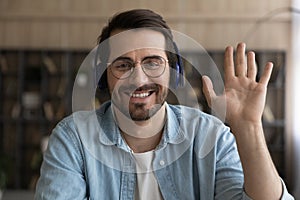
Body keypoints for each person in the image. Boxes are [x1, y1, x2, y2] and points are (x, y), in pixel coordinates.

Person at [35, 9, 294, 200]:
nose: (138, 79)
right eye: (123, 65)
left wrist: (248, 127)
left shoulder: (211, 136)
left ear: (174, 71)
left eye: (153, 62)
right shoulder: (73, 138)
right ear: (104, 76)